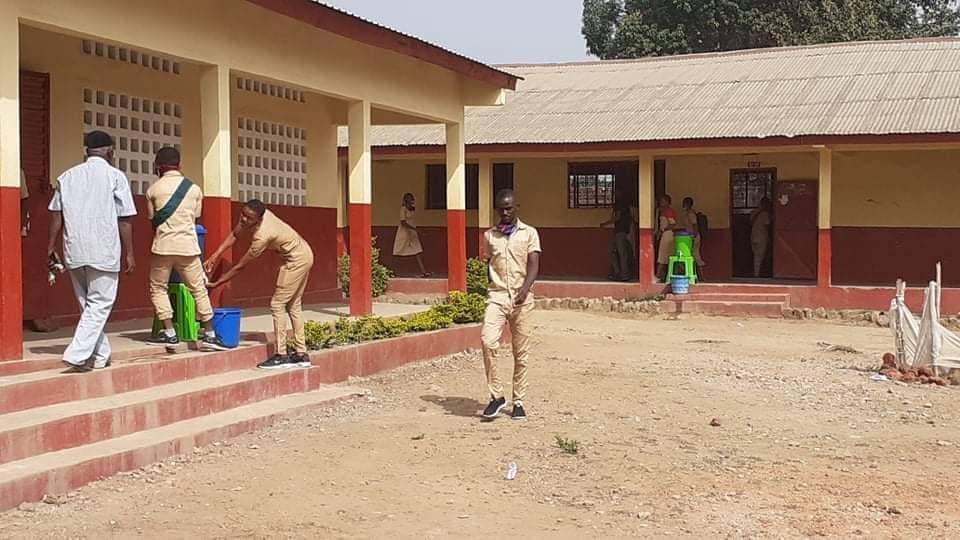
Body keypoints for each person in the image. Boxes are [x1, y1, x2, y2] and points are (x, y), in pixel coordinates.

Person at [47, 130, 137, 372]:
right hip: (103, 249)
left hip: (74, 248)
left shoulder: (67, 177)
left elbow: (56, 214)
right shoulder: (115, 176)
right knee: (100, 304)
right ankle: (76, 354)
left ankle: (100, 356)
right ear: (110, 151)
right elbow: (125, 219)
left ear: (87, 151)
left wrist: (50, 246)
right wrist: (129, 252)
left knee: (88, 306)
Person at [205, 200, 314, 370]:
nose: (244, 219)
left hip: (296, 261)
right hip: (304, 254)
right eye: (243, 214)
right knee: (294, 305)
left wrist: (218, 282)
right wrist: (215, 255)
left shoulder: (262, 236)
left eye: (249, 218)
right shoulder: (253, 216)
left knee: (277, 305)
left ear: (259, 219)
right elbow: (235, 234)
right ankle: (301, 354)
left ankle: (281, 355)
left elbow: (241, 266)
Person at [145, 147, 228, 353]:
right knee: (198, 289)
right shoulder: (195, 189)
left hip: (163, 247)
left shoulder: (153, 190)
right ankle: (210, 334)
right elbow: (196, 216)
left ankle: (170, 333)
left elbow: (151, 218)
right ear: (180, 165)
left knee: (158, 288)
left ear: (157, 166)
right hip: (189, 248)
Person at [480, 189, 541, 421]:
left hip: (522, 299)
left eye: (509, 208)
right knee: (487, 341)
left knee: (520, 352)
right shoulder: (490, 236)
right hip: (497, 296)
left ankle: (518, 401)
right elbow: (488, 264)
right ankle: (496, 396)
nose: (505, 212)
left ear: (516, 207)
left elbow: (534, 264)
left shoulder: (530, 233)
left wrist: (525, 289)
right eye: (501, 209)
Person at [392, 192, 429, 277]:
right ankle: (392, 271)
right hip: (404, 232)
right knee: (399, 250)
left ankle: (423, 271)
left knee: (417, 250)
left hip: (412, 232)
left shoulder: (412, 209)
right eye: (409, 199)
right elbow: (403, 222)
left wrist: (414, 229)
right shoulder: (403, 209)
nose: (411, 200)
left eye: (411, 198)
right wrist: (415, 229)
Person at [600, 197, 636, 281]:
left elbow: (617, 218)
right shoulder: (627, 209)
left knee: (621, 254)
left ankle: (624, 275)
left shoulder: (620, 206)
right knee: (614, 251)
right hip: (621, 233)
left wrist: (605, 223)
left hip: (621, 232)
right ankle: (619, 272)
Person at [677, 197, 706, 275]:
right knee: (693, 255)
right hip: (689, 236)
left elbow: (695, 225)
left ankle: (701, 275)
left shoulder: (691, 214)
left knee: (696, 255)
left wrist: (694, 236)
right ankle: (696, 274)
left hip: (693, 236)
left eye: (684, 203)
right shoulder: (686, 213)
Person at [655, 195, 678, 282]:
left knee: (663, 256)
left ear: (667, 202)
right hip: (665, 234)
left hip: (667, 235)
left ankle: (658, 276)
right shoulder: (662, 211)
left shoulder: (669, 211)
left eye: (663, 201)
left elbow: (673, 224)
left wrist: (663, 230)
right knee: (665, 256)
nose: (661, 203)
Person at [751, 197, 772, 278]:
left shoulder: (754, 212)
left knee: (756, 255)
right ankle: (757, 275)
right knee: (760, 256)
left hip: (753, 236)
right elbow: (767, 226)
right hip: (762, 237)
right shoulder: (765, 214)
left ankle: (756, 273)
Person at [20, 169, 29, 237]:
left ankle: (24, 227)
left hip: (22, 195)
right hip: (23, 195)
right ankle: (24, 227)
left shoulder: (20, 171)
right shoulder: (21, 171)